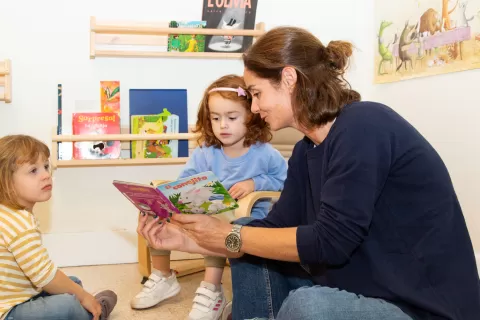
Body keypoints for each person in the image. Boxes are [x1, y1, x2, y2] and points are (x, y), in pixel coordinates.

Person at [137, 26, 480, 320]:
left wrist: (230, 236)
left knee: (307, 305)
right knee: (246, 232)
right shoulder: (306, 150)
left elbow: (330, 242)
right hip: (361, 286)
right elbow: (273, 229)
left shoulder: (365, 125)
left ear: (288, 79)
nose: (254, 108)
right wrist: (189, 240)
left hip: (419, 307)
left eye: (257, 94)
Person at [130, 74, 287, 320]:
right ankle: (163, 277)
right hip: (208, 210)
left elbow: (286, 180)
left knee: (216, 222)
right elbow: (187, 178)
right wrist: (168, 195)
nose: (223, 125)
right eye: (215, 118)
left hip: (245, 219)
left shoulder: (264, 154)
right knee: (156, 211)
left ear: (251, 115)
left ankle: (212, 289)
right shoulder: (206, 152)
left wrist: (255, 182)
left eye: (231, 117)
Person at [0, 135, 118, 320]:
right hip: (8, 313)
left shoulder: (8, 213)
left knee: (72, 283)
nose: (46, 175)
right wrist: (84, 296)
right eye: (33, 170)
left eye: (45, 167)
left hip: (19, 296)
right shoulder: (20, 224)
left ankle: (85, 306)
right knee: (67, 304)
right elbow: (44, 276)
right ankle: (93, 314)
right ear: (6, 182)